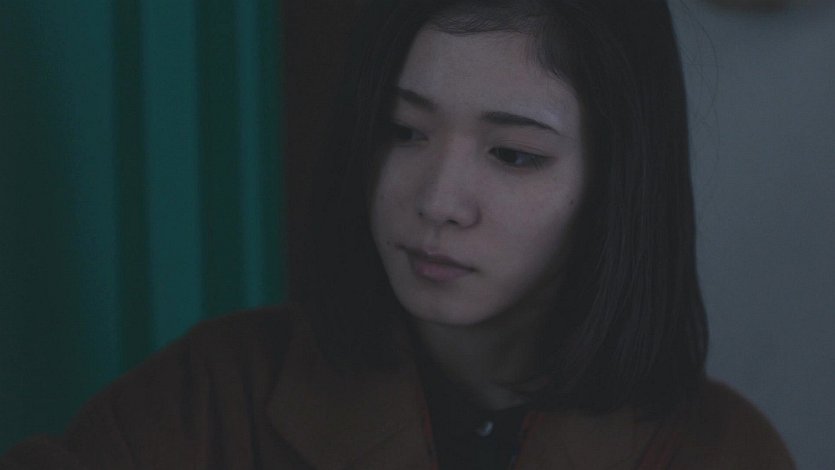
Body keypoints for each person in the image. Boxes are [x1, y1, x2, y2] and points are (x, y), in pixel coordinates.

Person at [1, 0, 794, 468]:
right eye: (403, 131)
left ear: (618, 182)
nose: (437, 201)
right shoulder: (212, 396)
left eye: (512, 154)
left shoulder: (720, 450)